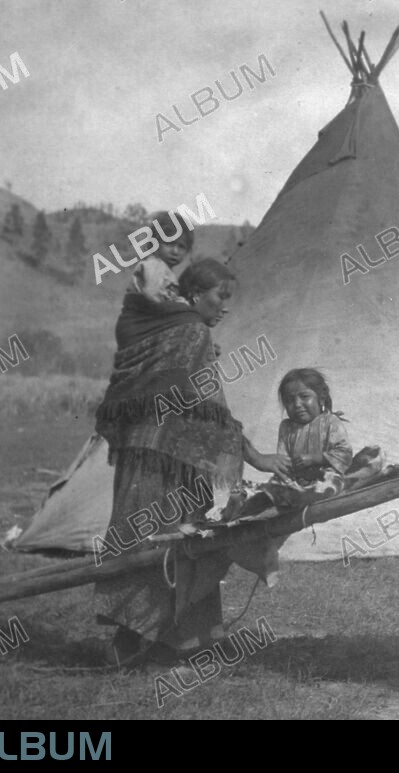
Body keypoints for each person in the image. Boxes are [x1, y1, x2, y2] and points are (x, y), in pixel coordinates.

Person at [93, 258, 289, 669]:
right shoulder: (191, 332)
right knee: (177, 545)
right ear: (195, 294)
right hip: (171, 462)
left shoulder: (157, 328)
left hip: (139, 456)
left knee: (145, 538)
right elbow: (210, 407)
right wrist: (254, 457)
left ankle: (159, 640)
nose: (224, 307)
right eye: (220, 297)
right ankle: (149, 643)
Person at [271, 369, 353, 492]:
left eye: (304, 397)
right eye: (289, 400)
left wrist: (314, 458)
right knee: (274, 486)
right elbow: (282, 459)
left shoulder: (330, 421)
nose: (297, 404)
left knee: (332, 482)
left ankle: (312, 494)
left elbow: (344, 454)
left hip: (324, 476)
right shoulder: (286, 428)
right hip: (296, 480)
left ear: (321, 398)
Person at [128, 210, 195, 304]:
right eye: (169, 244)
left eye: (181, 246)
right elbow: (152, 295)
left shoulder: (164, 269)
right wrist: (177, 306)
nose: (175, 251)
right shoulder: (154, 265)